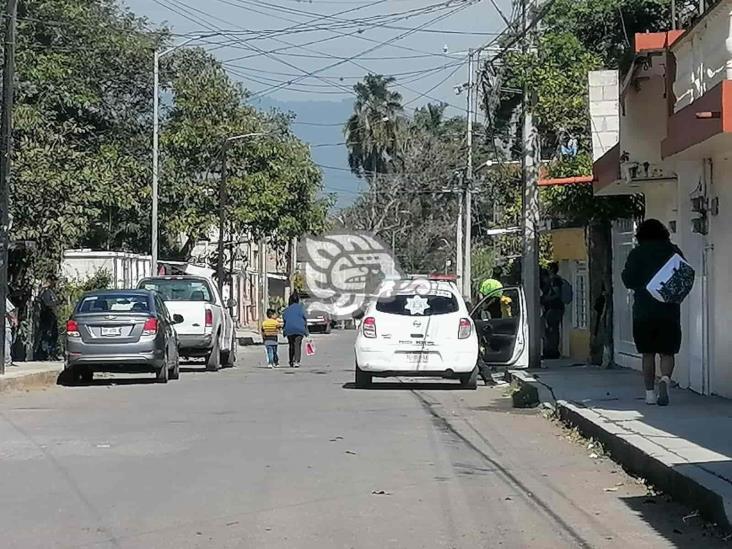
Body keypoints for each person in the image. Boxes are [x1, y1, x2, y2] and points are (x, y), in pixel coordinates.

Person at [622, 219, 683, 406]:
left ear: (641, 235)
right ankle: (665, 379)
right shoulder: (673, 251)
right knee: (667, 352)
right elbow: (684, 274)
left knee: (647, 354)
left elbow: (628, 280)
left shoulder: (637, 253)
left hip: (644, 311)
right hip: (669, 309)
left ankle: (649, 394)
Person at [541, 263, 566, 359]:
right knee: (550, 330)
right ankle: (550, 350)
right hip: (552, 308)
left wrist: (547, 299)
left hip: (555, 308)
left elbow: (557, 294)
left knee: (552, 330)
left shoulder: (555, 280)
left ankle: (553, 351)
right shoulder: (553, 280)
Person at [282, 293, 308, 368]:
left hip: (289, 329)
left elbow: (285, 319)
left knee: (291, 345)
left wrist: (284, 330)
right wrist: (306, 331)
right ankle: (296, 361)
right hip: (299, 329)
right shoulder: (301, 308)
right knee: (297, 345)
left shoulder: (286, 310)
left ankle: (291, 361)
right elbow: (305, 319)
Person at [37, 276, 60, 360]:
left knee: (54, 335)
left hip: (52, 316)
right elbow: (47, 303)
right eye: (54, 281)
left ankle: (52, 353)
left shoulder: (52, 292)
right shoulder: (46, 292)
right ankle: (45, 354)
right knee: (47, 335)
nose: (56, 284)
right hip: (47, 316)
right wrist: (56, 302)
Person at [4, 297, 16, 367]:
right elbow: (10, 310)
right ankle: (7, 361)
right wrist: (14, 319)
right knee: (7, 343)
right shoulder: (2, 298)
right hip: (5, 325)